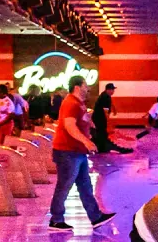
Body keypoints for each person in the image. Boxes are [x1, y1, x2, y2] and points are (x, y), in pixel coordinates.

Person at [45, 75, 114, 232]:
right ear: (77, 87)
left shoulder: (78, 103)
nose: (88, 88)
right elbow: (69, 126)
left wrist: (89, 123)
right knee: (64, 186)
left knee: (85, 186)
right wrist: (86, 141)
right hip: (67, 152)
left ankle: (96, 217)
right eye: (85, 85)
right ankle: (56, 220)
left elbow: (80, 120)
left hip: (77, 152)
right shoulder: (70, 103)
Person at [91, 83, 132, 154]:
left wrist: (114, 109)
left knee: (100, 133)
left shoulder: (105, 95)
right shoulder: (105, 97)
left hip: (97, 117)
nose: (113, 91)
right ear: (108, 90)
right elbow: (105, 111)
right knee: (101, 132)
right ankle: (102, 146)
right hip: (99, 118)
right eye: (112, 90)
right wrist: (108, 122)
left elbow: (110, 104)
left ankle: (102, 147)